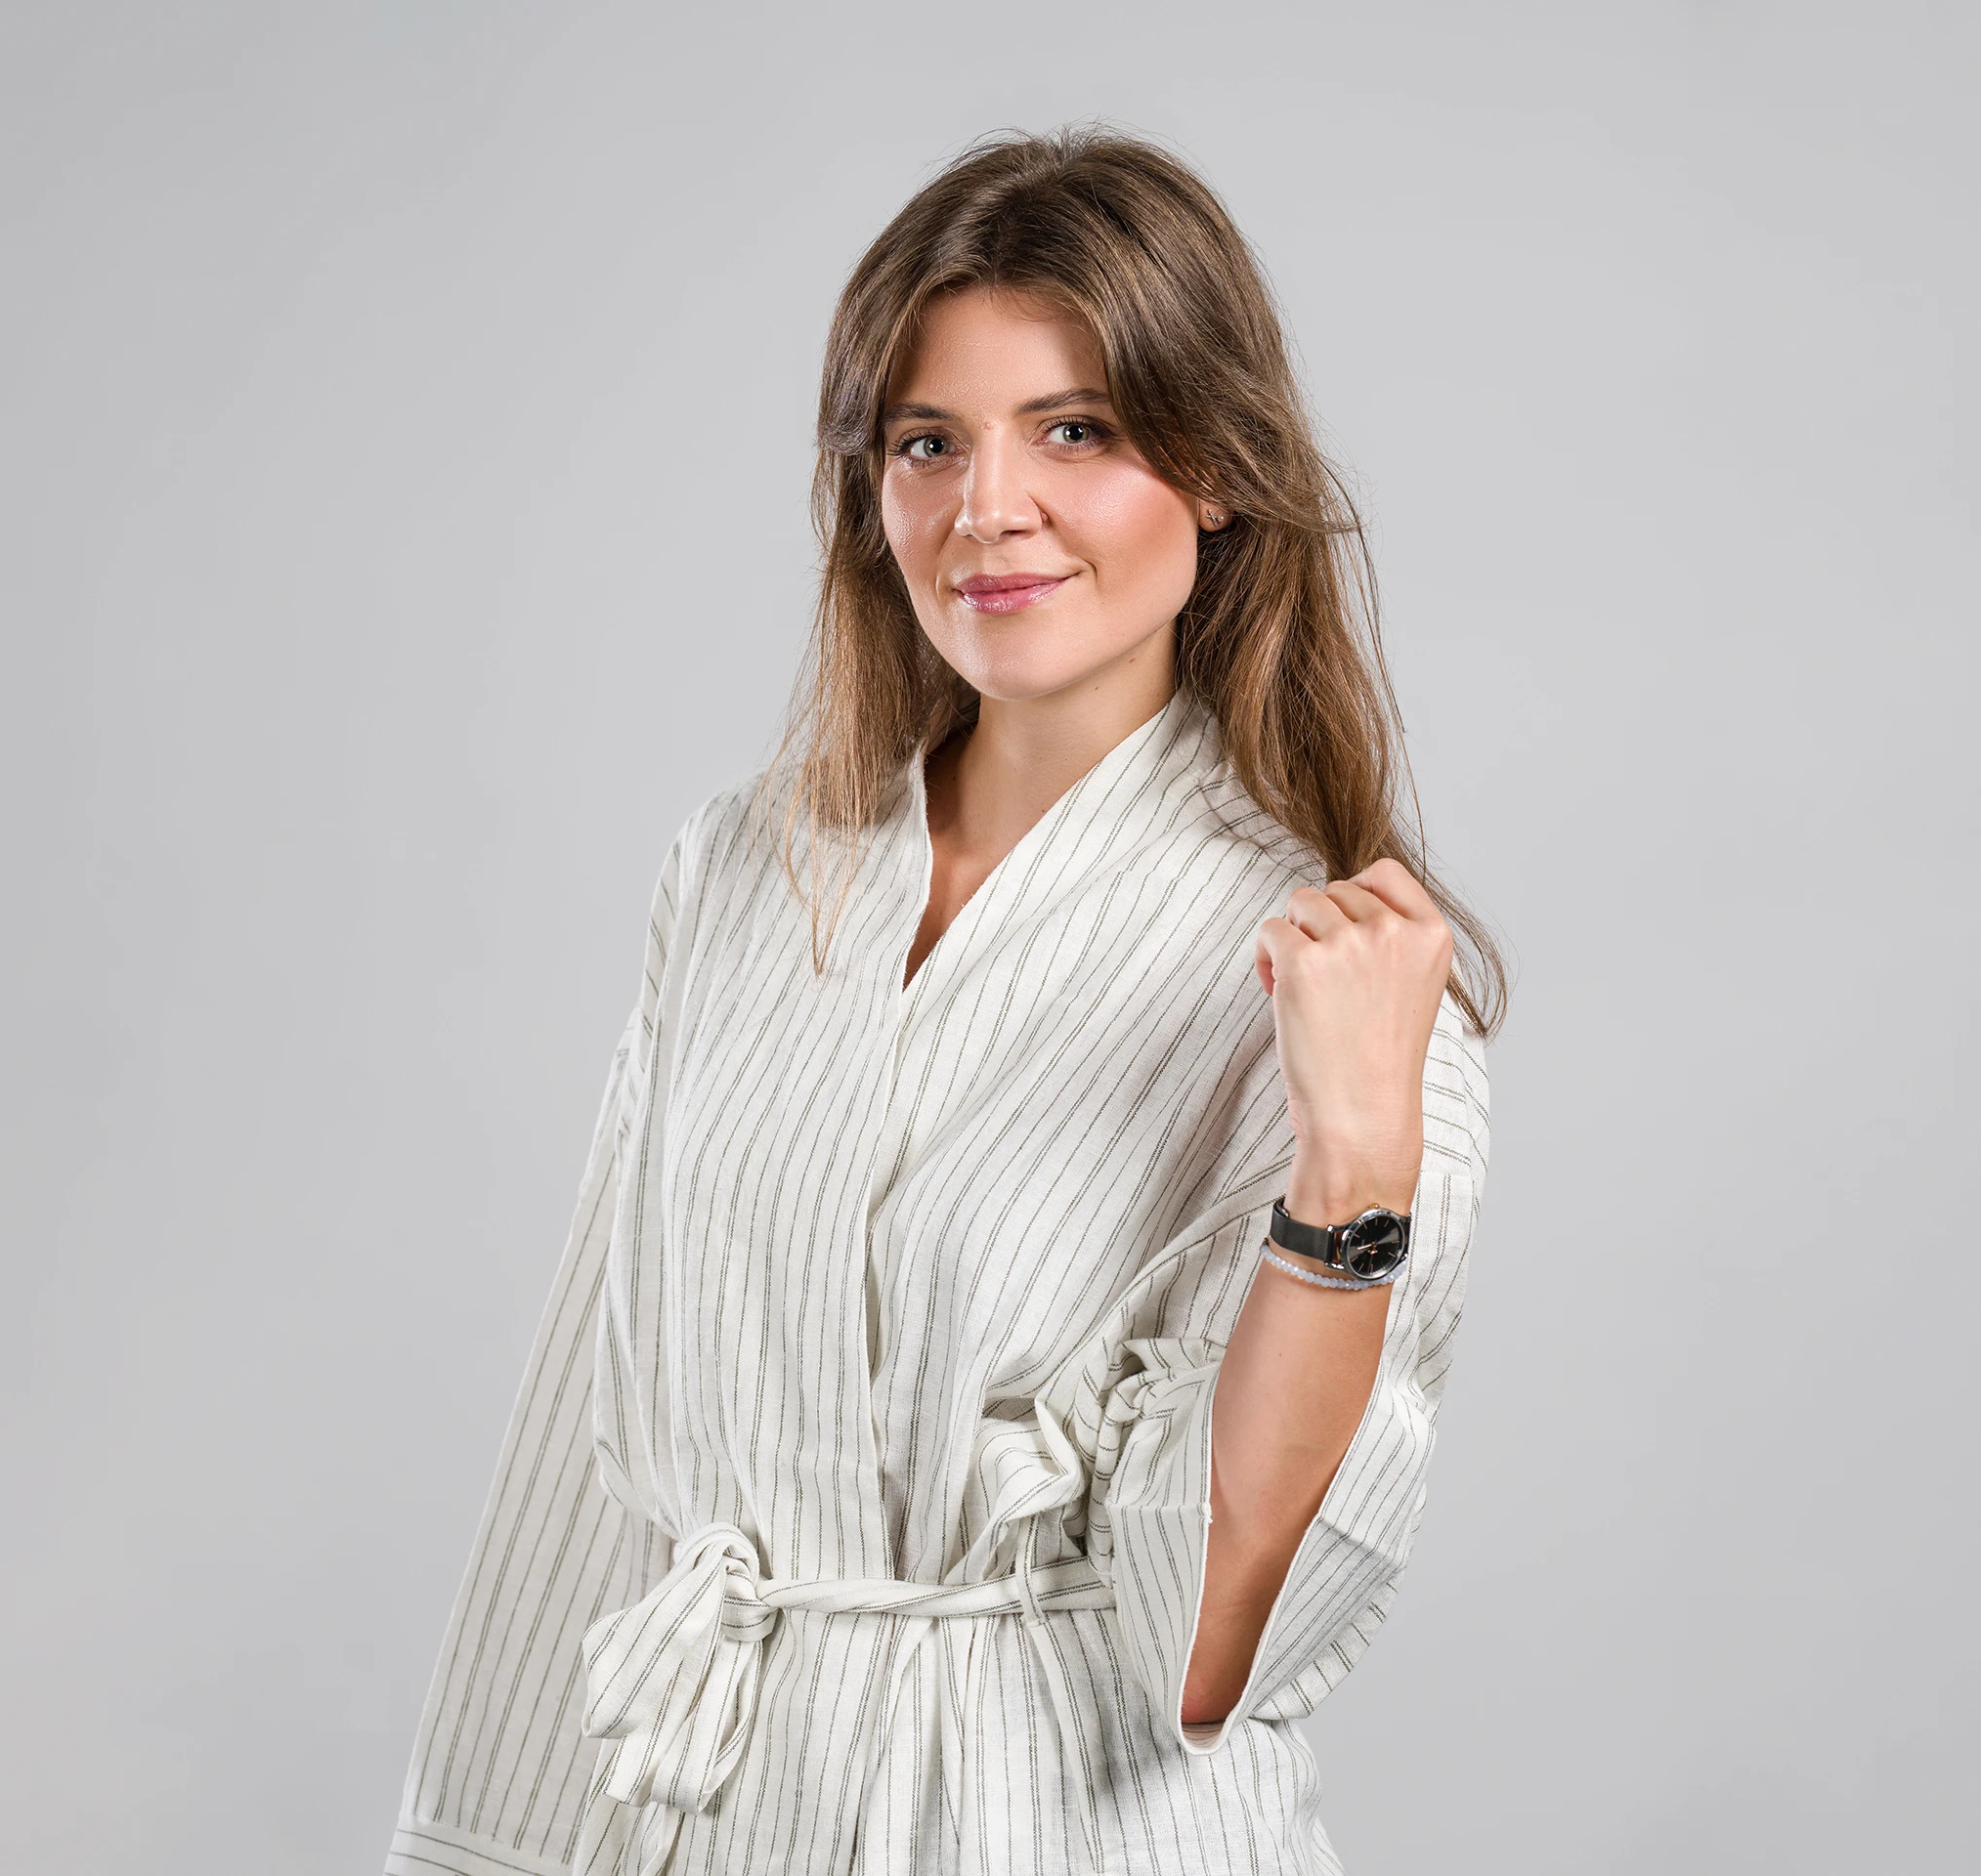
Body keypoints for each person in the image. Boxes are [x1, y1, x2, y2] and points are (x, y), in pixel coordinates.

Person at [385, 124, 1503, 1876]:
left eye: (1076, 430)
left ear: (1214, 467)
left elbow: (1210, 1641)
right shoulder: (748, 875)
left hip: (1058, 1829)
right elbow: (585, 1469)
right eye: (929, 442)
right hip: (711, 1821)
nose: (990, 508)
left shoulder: (1336, 982)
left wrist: (1353, 1165)